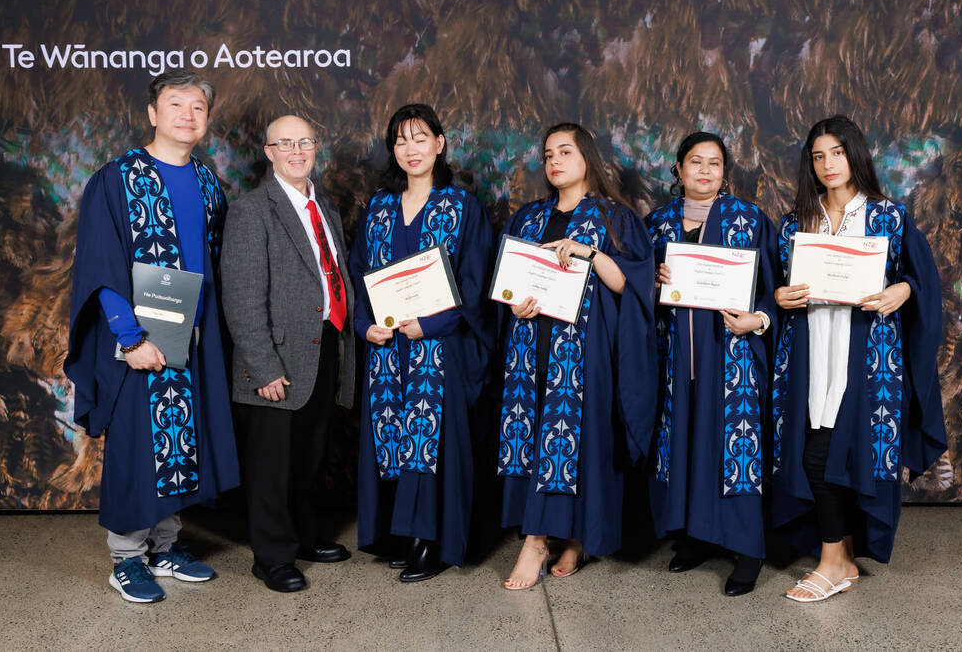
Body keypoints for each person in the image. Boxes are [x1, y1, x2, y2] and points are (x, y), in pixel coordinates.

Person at [65, 69, 240, 603]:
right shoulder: (117, 179)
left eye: (198, 108)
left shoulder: (209, 182)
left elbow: (215, 262)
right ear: (152, 113)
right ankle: (125, 557)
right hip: (138, 339)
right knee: (139, 445)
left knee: (182, 440)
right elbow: (101, 264)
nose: (187, 115)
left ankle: (166, 546)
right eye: (176, 104)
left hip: (195, 336)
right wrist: (129, 337)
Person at [771, 115, 945, 602]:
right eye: (818, 156)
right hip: (810, 354)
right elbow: (771, 287)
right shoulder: (794, 223)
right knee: (820, 453)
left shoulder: (890, 216)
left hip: (868, 356)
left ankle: (832, 564)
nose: (828, 164)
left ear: (855, 155)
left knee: (831, 456)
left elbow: (922, 280)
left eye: (837, 153)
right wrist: (781, 295)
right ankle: (842, 556)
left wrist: (901, 291)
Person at [498, 122, 656, 590]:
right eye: (548, 154)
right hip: (531, 344)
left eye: (565, 152)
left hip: (585, 349)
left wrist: (589, 252)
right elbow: (509, 282)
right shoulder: (528, 217)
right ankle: (548, 537)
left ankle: (549, 540)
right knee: (535, 438)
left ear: (587, 157)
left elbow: (631, 284)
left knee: (580, 442)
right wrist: (513, 303)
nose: (554, 162)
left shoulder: (614, 217)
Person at [350, 103, 493, 582]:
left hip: (436, 349)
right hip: (387, 349)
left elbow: (474, 285)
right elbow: (358, 275)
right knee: (391, 438)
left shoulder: (461, 208)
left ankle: (430, 540)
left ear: (440, 142)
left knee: (431, 442)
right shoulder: (379, 207)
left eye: (420, 138)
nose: (411, 149)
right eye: (401, 140)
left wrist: (429, 326)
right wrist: (364, 323)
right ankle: (401, 533)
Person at [220, 115, 356, 593]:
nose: (297, 151)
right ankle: (273, 557)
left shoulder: (327, 210)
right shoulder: (251, 211)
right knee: (272, 465)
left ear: (316, 147)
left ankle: (302, 537)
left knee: (307, 456)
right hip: (274, 359)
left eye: (305, 142)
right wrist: (262, 365)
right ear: (268, 151)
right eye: (286, 143)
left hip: (322, 348)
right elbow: (240, 296)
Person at [646, 132, 779, 596]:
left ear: (725, 173)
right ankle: (698, 536)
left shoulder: (750, 220)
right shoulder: (657, 223)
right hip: (675, 361)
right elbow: (634, 292)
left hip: (732, 356)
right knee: (685, 445)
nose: (705, 170)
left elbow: (774, 291)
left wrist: (757, 321)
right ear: (678, 169)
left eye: (715, 163)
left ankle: (748, 548)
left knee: (734, 451)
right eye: (695, 162)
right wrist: (653, 280)